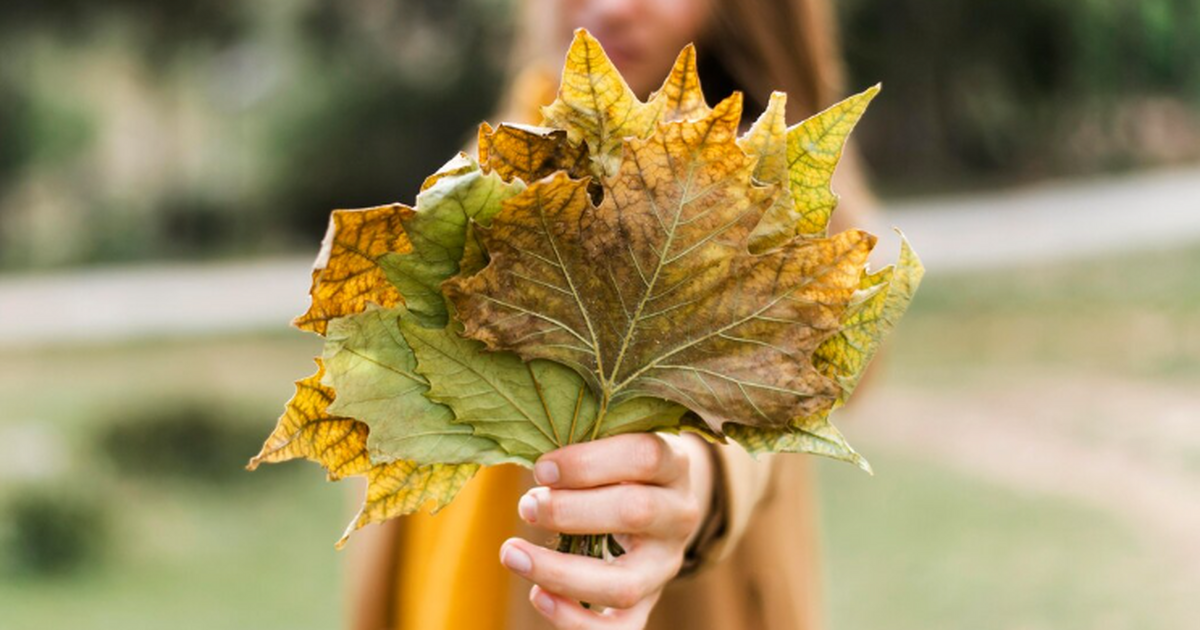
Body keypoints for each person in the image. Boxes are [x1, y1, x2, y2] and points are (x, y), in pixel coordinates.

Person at [350, 0, 874, 628]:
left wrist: (702, 483)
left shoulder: (741, 176)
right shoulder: (499, 146)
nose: (615, 7)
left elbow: (794, 371)